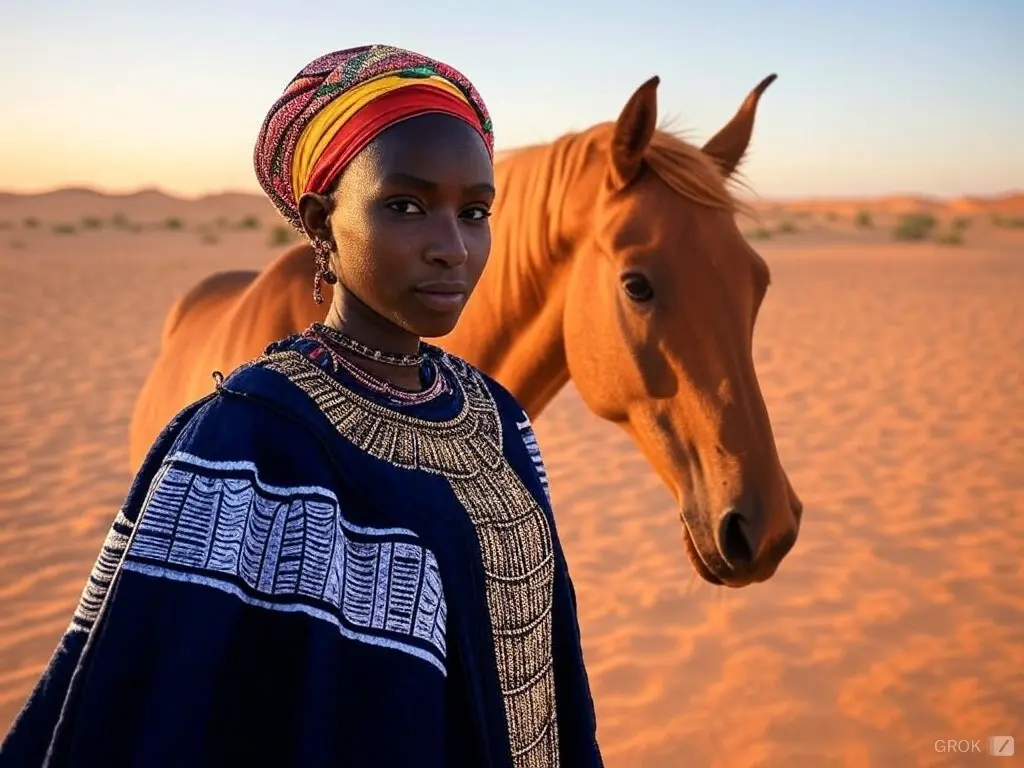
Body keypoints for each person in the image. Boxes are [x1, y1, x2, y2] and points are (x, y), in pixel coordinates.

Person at [0, 44, 602, 767]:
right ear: (321, 223)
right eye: (406, 206)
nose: (453, 247)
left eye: (474, 211)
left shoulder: (496, 417)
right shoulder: (246, 437)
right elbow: (160, 702)